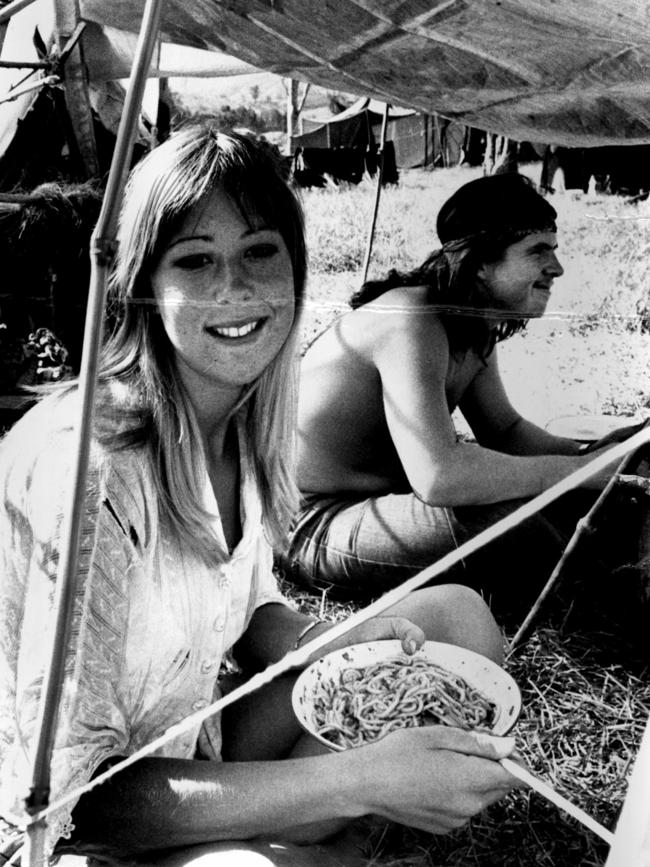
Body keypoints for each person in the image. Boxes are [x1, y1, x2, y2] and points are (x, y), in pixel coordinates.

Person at [0, 126, 520, 867]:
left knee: (455, 619)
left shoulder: (235, 416)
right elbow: (73, 806)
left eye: (258, 252)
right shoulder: (93, 474)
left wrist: (333, 646)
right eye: (195, 260)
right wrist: (351, 779)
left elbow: (247, 615)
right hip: (81, 832)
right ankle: (322, 841)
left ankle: (319, 831)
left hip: (195, 744)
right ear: (143, 286)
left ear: (296, 270)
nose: (234, 288)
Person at [279, 173, 631, 610]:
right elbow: (439, 476)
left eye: (553, 250)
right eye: (538, 251)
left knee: (577, 499)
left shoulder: (470, 321)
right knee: (520, 523)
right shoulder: (410, 319)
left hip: (387, 503)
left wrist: (603, 458)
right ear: (481, 262)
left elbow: (505, 431)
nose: (556, 268)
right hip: (317, 523)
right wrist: (576, 473)